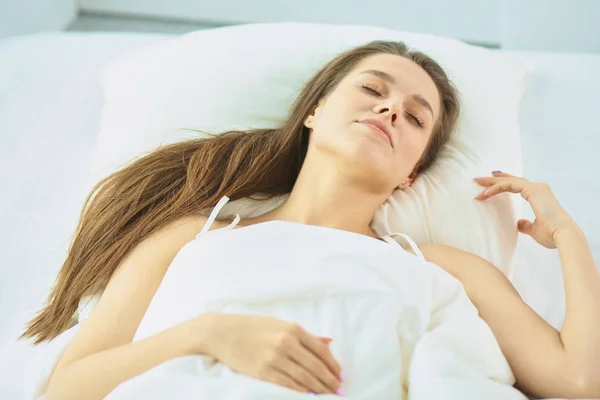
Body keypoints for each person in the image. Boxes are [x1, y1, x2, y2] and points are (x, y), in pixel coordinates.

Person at [22, 40, 600, 399]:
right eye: (373, 89)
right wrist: (208, 334)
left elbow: (578, 382)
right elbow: (68, 390)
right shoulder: (190, 237)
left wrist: (570, 238)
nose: (391, 108)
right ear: (315, 113)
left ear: (411, 175)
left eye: (416, 118)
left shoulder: (444, 268)